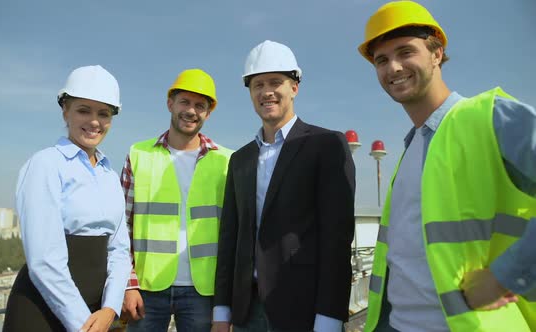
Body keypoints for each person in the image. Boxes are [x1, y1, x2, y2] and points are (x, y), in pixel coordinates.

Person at [358, 1, 536, 331]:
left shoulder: (491, 117)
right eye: (381, 60)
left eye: (405, 52)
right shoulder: (413, 147)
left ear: (437, 53)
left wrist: (505, 276)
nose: (393, 67)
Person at [212, 40, 356, 332]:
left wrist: (329, 318)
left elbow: (336, 240)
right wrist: (221, 311)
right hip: (246, 313)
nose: (267, 91)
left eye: (276, 82)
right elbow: (230, 239)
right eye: (257, 84)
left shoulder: (325, 145)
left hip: (303, 310)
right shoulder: (240, 159)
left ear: (295, 87)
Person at [3, 65, 131, 332]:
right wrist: (82, 324)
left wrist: (110, 308)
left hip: (96, 312)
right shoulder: (45, 165)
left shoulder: (109, 174)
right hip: (42, 309)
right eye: (84, 110)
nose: (94, 121)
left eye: (103, 114)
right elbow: (44, 260)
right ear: (65, 111)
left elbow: (119, 249)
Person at [119, 68, 233, 331]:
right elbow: (120, 228)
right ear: (170, 103)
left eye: (200, 105)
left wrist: (226, 301)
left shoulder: (227, 161)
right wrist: (128, 284)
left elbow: (234, 235)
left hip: (203, 291)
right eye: (185, 102)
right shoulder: (138, 154)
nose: (191, 111)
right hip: (147, 289)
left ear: (208, 112)